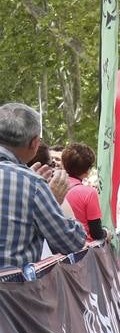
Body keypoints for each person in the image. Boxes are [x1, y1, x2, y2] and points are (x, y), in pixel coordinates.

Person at [0, 103, 85, 269]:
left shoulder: (30, 183)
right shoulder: (32, 184)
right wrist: (52, 200)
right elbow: (72, 243)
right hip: (13, 292)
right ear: (34, 143)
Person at [61, 143, 106, 240]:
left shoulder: (53, 187)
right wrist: (106, 233)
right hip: (83, 249)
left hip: (58, 250)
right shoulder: (89, 193)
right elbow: (96, 233)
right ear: (88, 170)